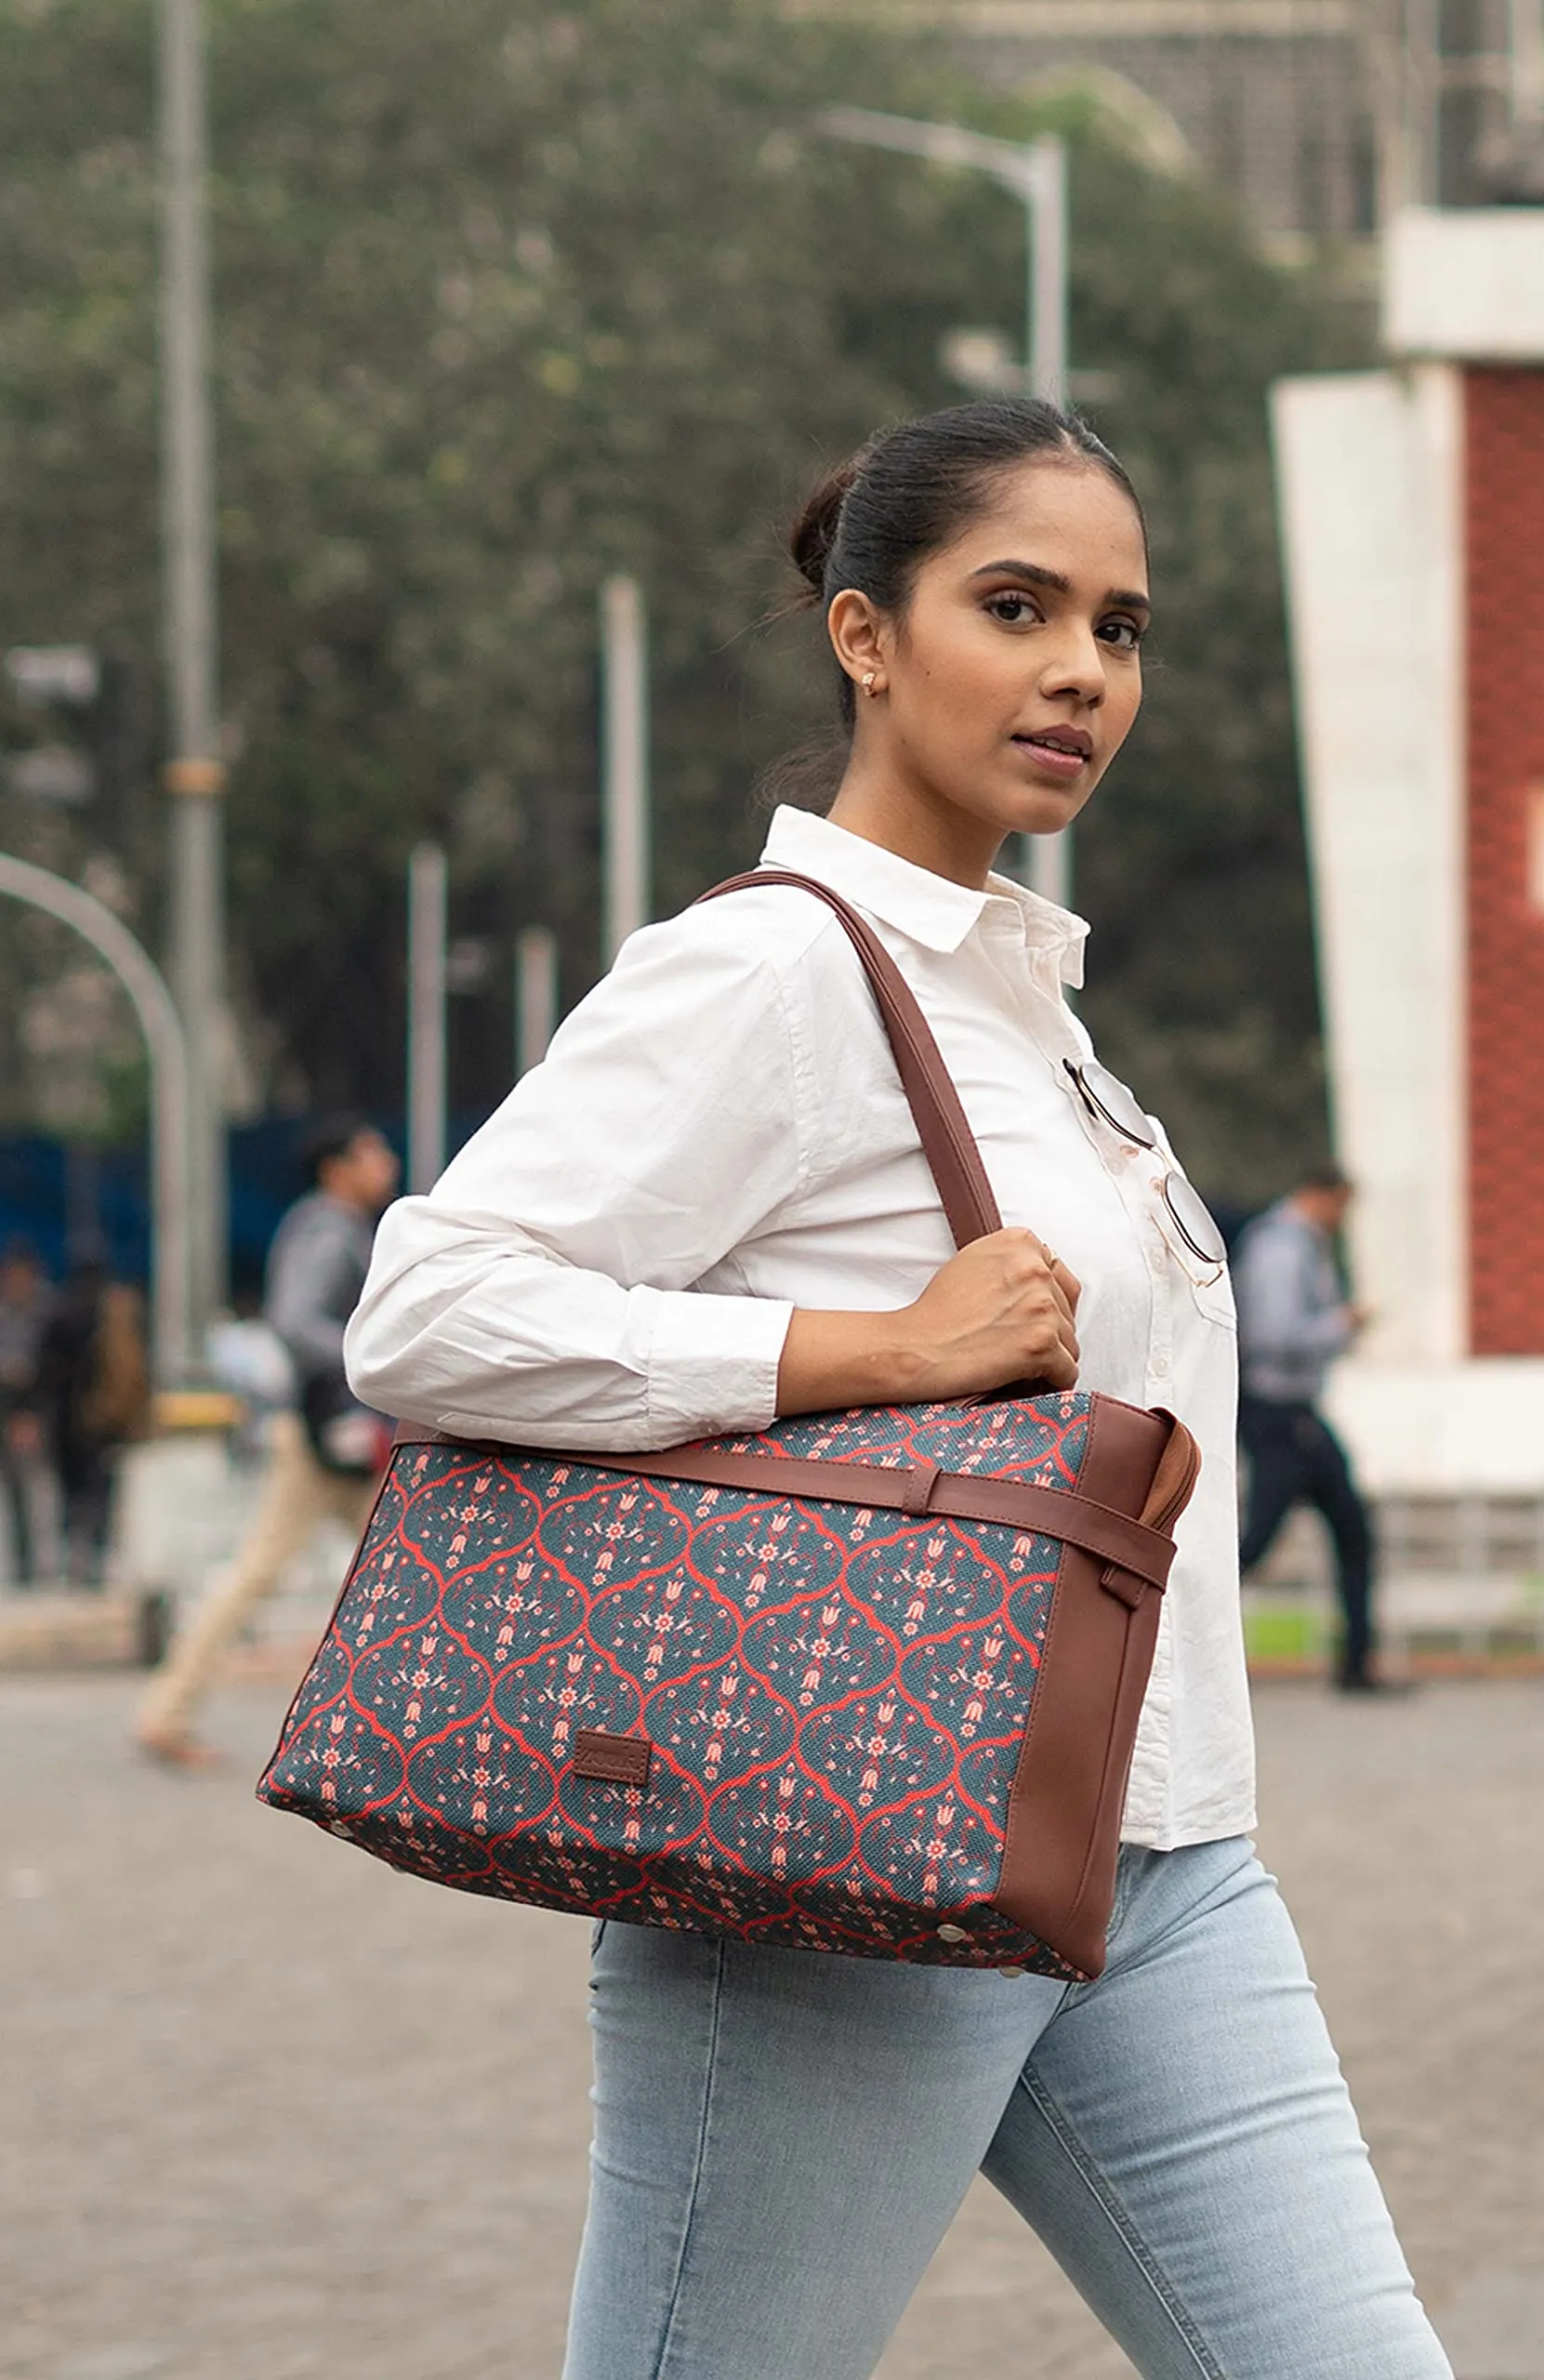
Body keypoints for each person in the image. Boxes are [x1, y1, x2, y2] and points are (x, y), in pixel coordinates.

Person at [344, 401, 1451, 2380]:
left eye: (1118, 627)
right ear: (865, 633)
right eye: (1013, 605)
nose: (1079, 673)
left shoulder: (1031, 1013)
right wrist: (870, 1349)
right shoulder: (774, 976)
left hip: (1159, 1859)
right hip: (844, 1867)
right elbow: (425, 1309)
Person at [135, 1116, 399, 1766]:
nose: (384, 1162)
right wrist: (368, 1355)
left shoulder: (333, 1226)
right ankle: (169, 1711)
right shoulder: (326, 1229)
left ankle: (391, 1728)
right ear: (336, 1167)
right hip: (321, 1438)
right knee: (298, 1572)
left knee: (392, 1569)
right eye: (371, 1150)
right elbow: (294, 1319)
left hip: (330, 1436)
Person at [1232, 1162, 1399, 1694]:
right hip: (1278, 1413)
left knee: (1353, 1532)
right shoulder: (1281, 1247)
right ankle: (1170, 1636)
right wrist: (1341, 1325)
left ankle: (1357, 1664)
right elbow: (1273, 1335)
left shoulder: (1300, 1245)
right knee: (1253, 1545)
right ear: (1325, 1197)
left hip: (1300, 1412)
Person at [34, 1247, 152, 1587]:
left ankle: (75, 1557)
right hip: (106, 1419)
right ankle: (97, 1556)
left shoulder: (60, 1311)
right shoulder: (115, 1313)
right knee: (101, 1488)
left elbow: (46, 1369)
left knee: (70, 1490)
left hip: (66, 1418)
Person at [0, 1236, 51, 1588]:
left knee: (37, 1489)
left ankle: (38, 1562)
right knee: (15, 1493)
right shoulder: (5, 1313)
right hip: (5, 1408)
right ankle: (22, 1563)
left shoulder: (43, 1312)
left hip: (31, 1412)